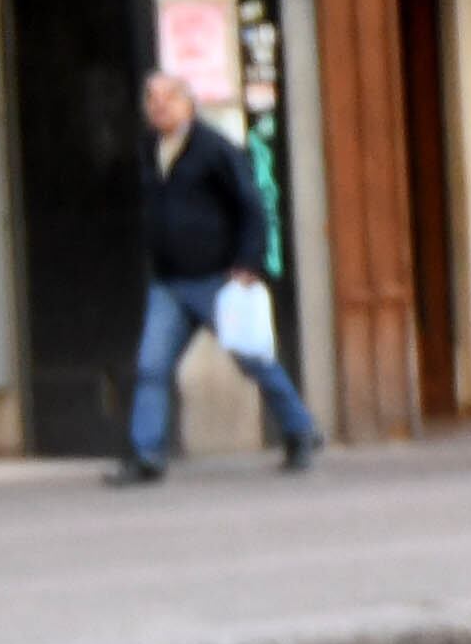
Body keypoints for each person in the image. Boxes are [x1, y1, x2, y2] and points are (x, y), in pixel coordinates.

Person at [110, 69, 317, 485]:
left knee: (253, 358)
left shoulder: (214, 148)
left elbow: (251, 205)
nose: (159, 106)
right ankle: (146, 455)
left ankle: (300, 431)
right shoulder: (151, 148)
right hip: (169, 282)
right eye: (152, 100)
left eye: (168, 98)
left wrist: (248, 263)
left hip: (217, 280)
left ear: (189, 103)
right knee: (151, 366)